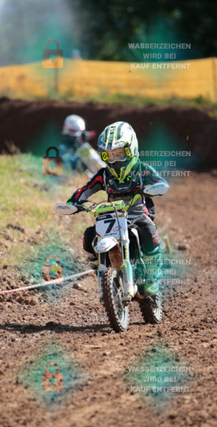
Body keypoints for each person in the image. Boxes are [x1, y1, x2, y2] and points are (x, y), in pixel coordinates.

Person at [66, 121, 169, 300]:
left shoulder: (142, 170)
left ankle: (153, 277)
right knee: (89, 235)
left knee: (149, 231)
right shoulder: (104, 174)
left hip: (137, 213)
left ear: (131, 149)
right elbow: (86, 188)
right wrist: (73, 202)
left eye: (119, 153)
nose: (114, 159)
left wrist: (155, 188)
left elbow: (161, 182)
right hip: (112, 216)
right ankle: (98, 267)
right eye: (109, 155)